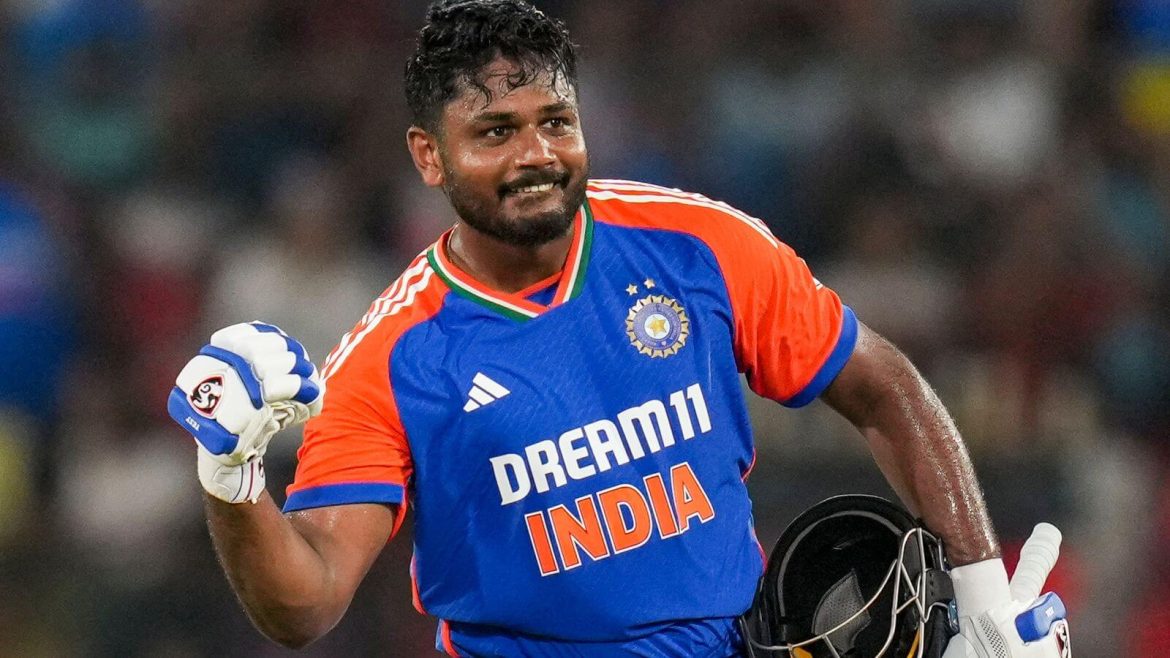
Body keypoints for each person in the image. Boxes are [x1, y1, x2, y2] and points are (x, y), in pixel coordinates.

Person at [167, 1, 1070, 656]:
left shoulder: (698, 245)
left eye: (554, 121)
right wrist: (230, 476)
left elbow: (882, 387)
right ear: (427, 154)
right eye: (494, 132)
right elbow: (307, 603)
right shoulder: (391, 358)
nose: (535, 156)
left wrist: (980, 597)